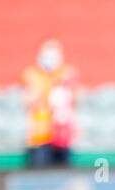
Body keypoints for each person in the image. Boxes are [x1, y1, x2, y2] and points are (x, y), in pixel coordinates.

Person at [22, 39, 78, 169]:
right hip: (40, 134)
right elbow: (27, 100)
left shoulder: (67, 73)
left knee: (63, 174)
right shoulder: (32, 74)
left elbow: (75, 99)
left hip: (62, 134)